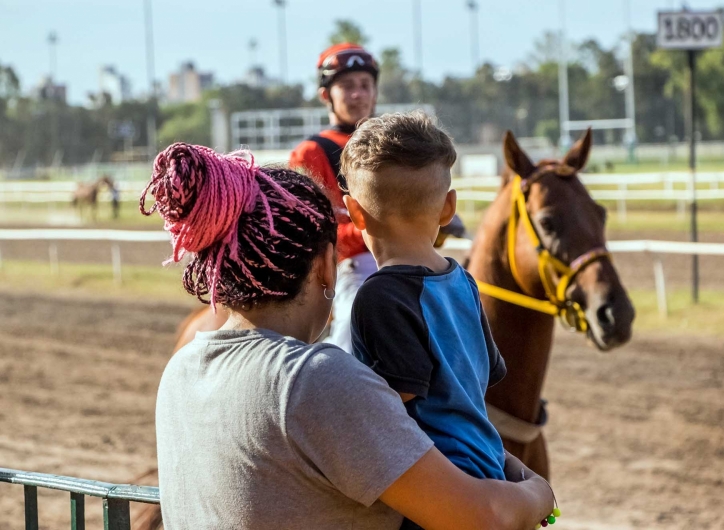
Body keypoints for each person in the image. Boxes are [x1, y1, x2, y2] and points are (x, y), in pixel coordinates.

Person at [142, 142, 556, 529]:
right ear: (326, 265)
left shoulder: (179, 369)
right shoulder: (316, 381)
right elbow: (484, 516)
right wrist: (540, 492)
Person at [343, 113, 531, 529]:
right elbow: (483, 376)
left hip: (437, 490)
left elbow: (390, 405)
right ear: (448, 207)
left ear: (354, 212)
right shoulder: (463, 280)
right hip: (489, 469)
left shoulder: (379, 295)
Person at [288, 43, 381, 353]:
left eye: (365, 85)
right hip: (345, 268)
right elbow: (312, 233)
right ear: (326, 95)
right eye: (347, 86)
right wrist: (379, 230)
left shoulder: (391, 145)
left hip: (396, 257)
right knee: (357, 322)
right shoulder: (311, 153)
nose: (358, 94)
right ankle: (340, 383)